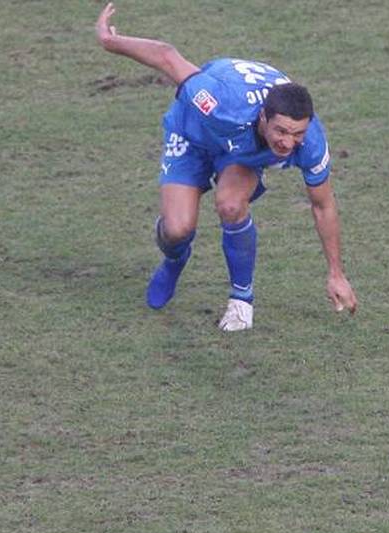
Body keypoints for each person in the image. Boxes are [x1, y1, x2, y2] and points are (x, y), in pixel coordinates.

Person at [94, 2, 357, 331]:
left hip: (239, 154)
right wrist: (109, 41)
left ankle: (241, 301)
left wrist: (336, 273)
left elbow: (323, 205)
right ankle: (175, 258)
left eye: (297, 134)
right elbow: (166, 56)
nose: (288, 143)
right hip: (193, 134)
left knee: (231, 204)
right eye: (281, 132)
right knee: (177, 229)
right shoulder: (220, 104)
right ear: (263, 118)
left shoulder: (311, 140)